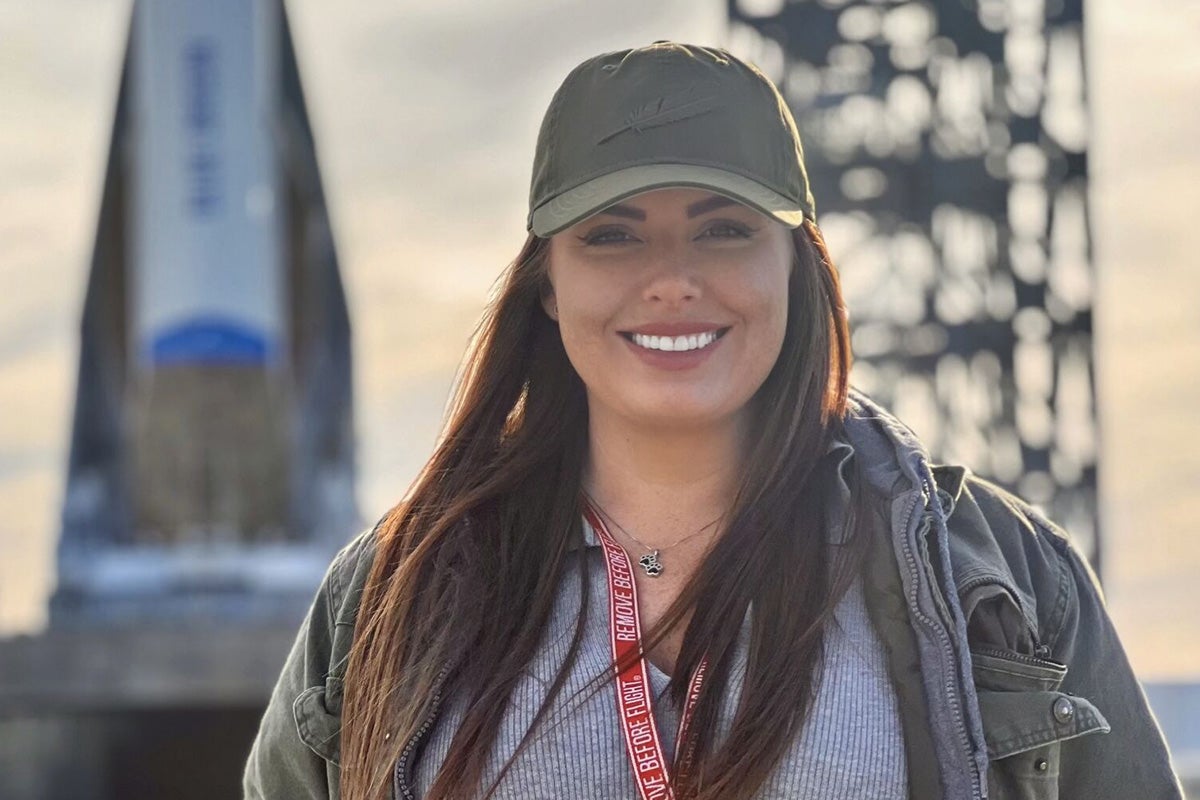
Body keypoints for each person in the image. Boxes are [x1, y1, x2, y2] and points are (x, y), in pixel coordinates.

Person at [243, 42, 1182, 800]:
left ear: (797, 268)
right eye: (611, 235)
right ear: (548, 285)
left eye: (724, 228)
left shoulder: (999, 574)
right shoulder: (392, 589)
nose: (672, 279)